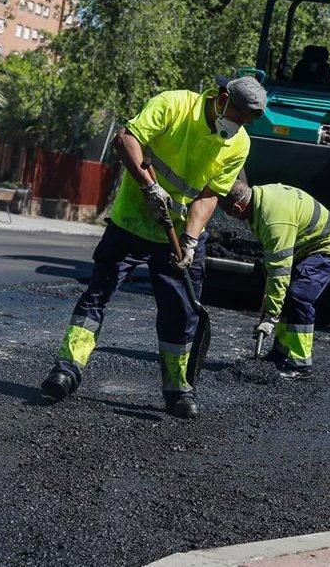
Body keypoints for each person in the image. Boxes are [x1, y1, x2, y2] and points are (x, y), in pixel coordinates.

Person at [39, 76, 264, 418]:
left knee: (180, 312)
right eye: (237, 116)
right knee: (98, 294)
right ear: (222, 99)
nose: (237, 126)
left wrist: (190, 239)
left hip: (177, 234)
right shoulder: (174, 104)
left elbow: (210, 194)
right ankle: (67, 369)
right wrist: (148, 187)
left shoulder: (239, 144)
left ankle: (177, 389)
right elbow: (126, 139)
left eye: (245, 122)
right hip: (132, 220)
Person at [220, 179, 330, 379]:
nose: (230, 217)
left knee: (299, 295)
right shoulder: (261, 197)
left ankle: (301, 365)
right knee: (286, 293)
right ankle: (279, 353)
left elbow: (279, 272)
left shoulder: (274, 221)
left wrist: (270, 316)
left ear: (238, 207)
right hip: (307, 246)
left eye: (229, 212)